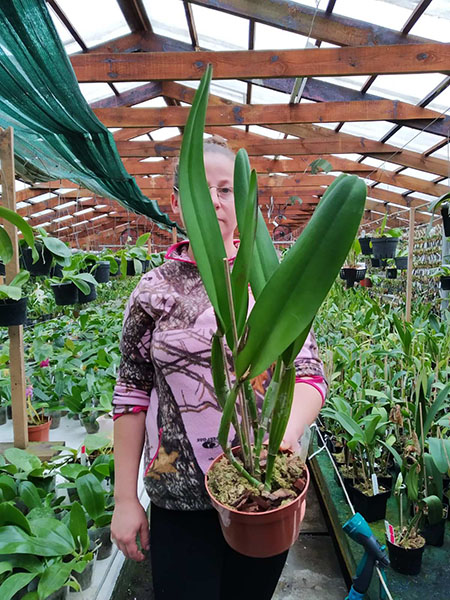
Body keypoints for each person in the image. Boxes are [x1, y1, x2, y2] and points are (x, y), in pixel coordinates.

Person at [111, 137, 327, 600]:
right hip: (177, 493)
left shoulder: (270, 282)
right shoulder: (152, 290)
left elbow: (308, 377)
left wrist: (279, 439)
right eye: (198, 188)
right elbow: (131, 395)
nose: (213, 199)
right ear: (175, 204)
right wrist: (125, 500)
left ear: (243, 200)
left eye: (226, 189)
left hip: (262, 494)